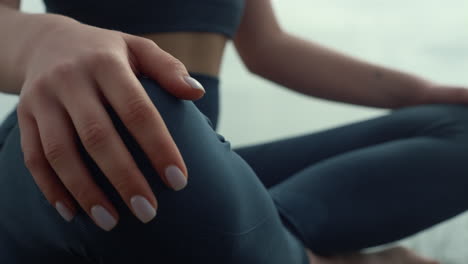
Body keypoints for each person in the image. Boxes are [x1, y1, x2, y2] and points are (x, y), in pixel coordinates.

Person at [0, 0, 467, 263]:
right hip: (75, 140)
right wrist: (48, 39)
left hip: (193, 168)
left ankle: (269, 236)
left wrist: (422, 92)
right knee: (136, 107)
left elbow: (267, 47)